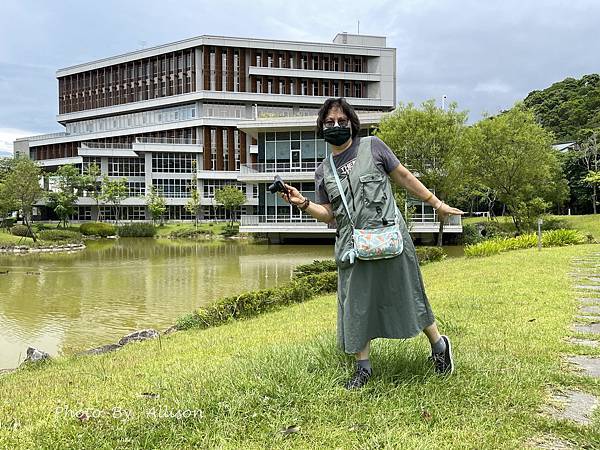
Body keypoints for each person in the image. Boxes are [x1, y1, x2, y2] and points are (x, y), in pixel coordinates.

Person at [277, 97, 465, 390]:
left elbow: (402, 176)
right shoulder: (323, 171)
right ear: (321, 127)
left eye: (341, 121)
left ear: (352, 123)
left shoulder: (373, 146)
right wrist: (302, 203)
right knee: (357, 305)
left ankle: (440, 348)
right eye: (329, 122)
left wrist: (436, 203)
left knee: (409, 293)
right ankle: (363, 368)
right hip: (353, 247)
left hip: (391, 238)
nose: (336, 126)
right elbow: (329, 215)